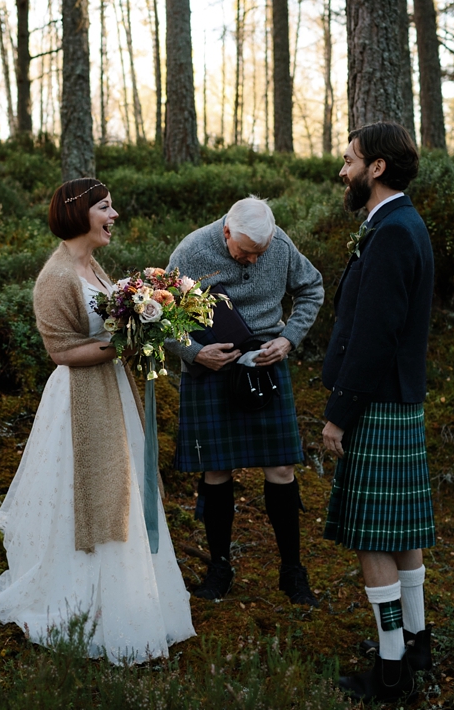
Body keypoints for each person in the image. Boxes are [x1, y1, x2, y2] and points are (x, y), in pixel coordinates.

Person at [0, 178, 195, 664]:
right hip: (80, 403)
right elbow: (59, 351)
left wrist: (142, 330)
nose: (115, 215)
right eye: (105, 207)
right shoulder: (56, 275)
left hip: (112, 395)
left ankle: (133, 602)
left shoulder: (93, 266)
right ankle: (84, 606)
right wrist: (127, 341)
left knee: (121, 489)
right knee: (91, 494)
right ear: (77, 213)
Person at [320, 122, 436, 702]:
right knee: (402, 531)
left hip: (378, 403)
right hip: (397, 399)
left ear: (377, 168)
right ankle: (416, 642)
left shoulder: (391, 232)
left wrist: (339, 413)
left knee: (373, 537)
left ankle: (392, 671)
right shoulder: (400, 224)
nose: (343, 171)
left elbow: (374, 337)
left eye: (349, 161)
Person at [166, 196, 324, 605]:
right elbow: (159, 320)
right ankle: (219, 567)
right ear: (226, 233)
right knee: (216, 471)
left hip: (266, 367)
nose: (253, 261)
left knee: (282, 468)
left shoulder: (280, 245)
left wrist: (288, 338)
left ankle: (292, 572)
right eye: (245, 252)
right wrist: (194, 353)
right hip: (210, 370)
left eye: (262, 253)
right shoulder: (191, 252)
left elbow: (312, 288)